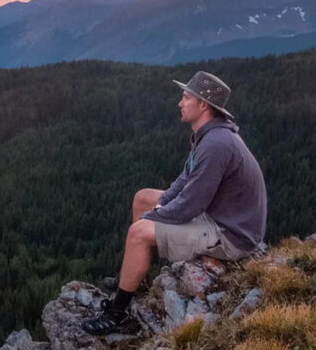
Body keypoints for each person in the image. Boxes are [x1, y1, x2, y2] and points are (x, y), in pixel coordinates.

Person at [81, 71, 267, 335]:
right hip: (220, 216)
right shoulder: (208, 136)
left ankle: (117, 313)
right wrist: (159, 207)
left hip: (232, 235)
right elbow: (183, 182)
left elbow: (190, 205)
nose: (180, 103)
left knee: (138, 232)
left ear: (203, 104)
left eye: (185, 97)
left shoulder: (216, 144)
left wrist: (155, 217)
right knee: (142, 198)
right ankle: (136, 278)